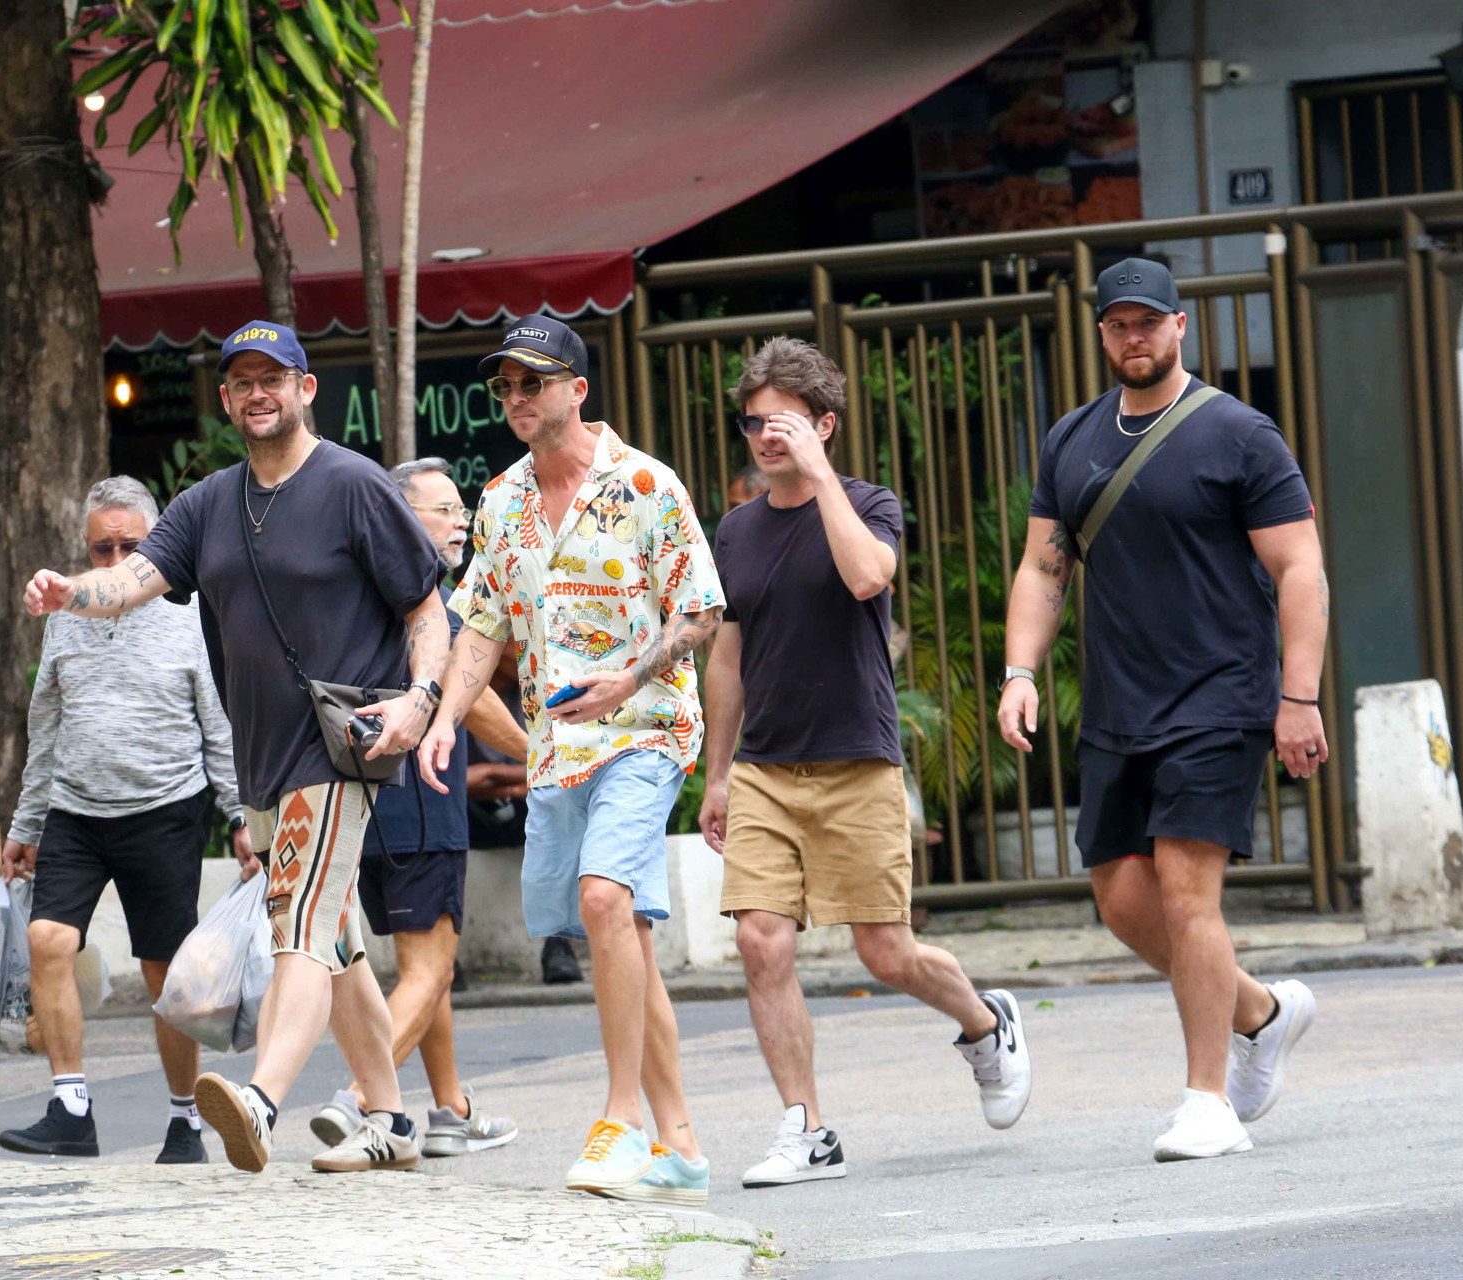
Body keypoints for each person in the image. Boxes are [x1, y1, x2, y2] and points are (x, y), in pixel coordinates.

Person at [23, 321, 451, 1175]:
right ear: (226, 400)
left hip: (338, 753)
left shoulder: (354, 486)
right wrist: (73, 590)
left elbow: (425, 610)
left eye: (273, 377)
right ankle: (396, 1124)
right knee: (336, 944)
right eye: (242, 382)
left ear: (305, 389)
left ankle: (260, 1101)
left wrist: (423, 699)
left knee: (297, 926)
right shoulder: (207, 503)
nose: (258, 393)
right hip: (262, 762)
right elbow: (133, 581)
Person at [997, 258, 1325, 1162]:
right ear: (1102, 334)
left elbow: (1300, 568)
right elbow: (1042, 567)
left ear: (1180, 327)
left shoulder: (1239, 434)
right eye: (1118, 324)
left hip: (1221, 692)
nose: (1133, 337)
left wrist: (1297, 698)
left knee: (1187, 891)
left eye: (1149, 322)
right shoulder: (1072, 439)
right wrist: (1018, 671)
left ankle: (1207, 1101)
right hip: (1118, 697)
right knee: (1122, 897)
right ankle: (1258, 1012)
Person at [699, 338, 1032, 1189]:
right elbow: (727, 658)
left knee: (886, 953)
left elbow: (865, 578)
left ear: (825, 423)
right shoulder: (733, 531)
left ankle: (985, 1022)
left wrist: (820, 482)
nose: (767, 437)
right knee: (759, 940)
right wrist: (719, 771)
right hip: (769, 767)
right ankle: (806, 1128)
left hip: (857, 759)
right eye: (755, 423)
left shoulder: (868, 504)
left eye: (786, 422)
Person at [419, 315, 722, 1205]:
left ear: (577, 390)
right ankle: (683, 1145)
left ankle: (621, 1117)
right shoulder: (503, 500)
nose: (516, 398)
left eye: (533, 382)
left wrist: (630, 677)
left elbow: (701, 613)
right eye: (504, 386)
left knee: (604, 899)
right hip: (559, 747)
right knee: (619, 935)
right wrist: (442, 716)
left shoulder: (645, 485)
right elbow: (479, 624)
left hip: (648, 727)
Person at [0, 477, 250, 1165]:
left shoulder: (188, 616)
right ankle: (70, 1108)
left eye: (129, 547)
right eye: (100, 548)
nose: (112, 563)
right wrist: (27, 824)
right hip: (75, 811)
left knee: (163, 972)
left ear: (156, 546)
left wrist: (238, 814)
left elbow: (218, 725)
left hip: (165, 809)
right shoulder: (65, 614)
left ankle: (184, 1120)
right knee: (49, 941)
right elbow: (44, 727)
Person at [307, 456, 525, 1159]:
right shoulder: (429, 602)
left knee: (425, 966)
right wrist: (537, 753)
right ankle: (359, 1098)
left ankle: (450, 1111)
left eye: (461, 508)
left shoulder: (352, 595)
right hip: (423, 808)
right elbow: (479, 702)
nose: (460, 520)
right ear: (401, 519)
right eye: (444, 509)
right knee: (430, 969)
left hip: (360, 804)